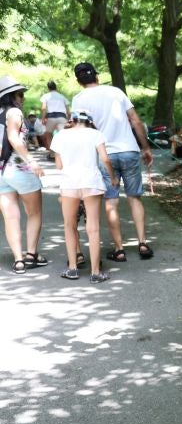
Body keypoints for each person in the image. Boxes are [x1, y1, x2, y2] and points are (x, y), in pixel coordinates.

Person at [72, 62, 155, 262]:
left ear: (79, 81)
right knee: (135, 198)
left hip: (104, 155)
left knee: (111, 201)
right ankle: (142, 243)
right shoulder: (116, 92)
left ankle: (119, 249)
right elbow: (135, 120)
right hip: (129, 150)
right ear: (97, 77)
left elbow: (80, 130)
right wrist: (145, 147)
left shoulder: (78, 99)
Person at [51, 110, 116, 283]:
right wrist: (113, 178)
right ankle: (95, 273)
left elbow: (59, 165)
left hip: (69, 183)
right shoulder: (96, 134)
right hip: (91, 182)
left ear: (71, 120)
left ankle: (72, 269)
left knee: (69, 226)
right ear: (89, 122)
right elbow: (105, 159)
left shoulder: (60, 135)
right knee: (93, 228)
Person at [0, 76, 47, 274]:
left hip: (1, 171)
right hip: (19, 167)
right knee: (33, 213)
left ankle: (18, 260)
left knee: (10, 217)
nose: (23, 98)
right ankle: (31, 255)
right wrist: (32, 161)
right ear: (12, 96)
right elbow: (12, 137)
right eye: (20, 94)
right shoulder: (14, 112)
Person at [39, 80, 70, 151]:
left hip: (51, 117)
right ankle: (63, 152)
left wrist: (43, 118)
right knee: (63, 136)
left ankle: (52, 153)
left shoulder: (46, 96)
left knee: (48, 135)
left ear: (48, 88)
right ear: (56, 88)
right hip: (62, 117)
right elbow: (68, 111)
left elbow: (43, 108)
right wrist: (68, 119)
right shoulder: (62, 96)